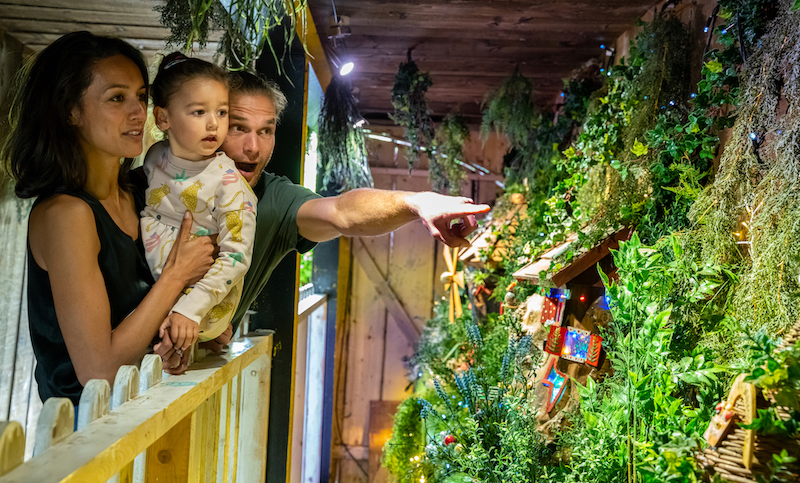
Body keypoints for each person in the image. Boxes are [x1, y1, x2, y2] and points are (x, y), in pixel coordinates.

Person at [155, 71, 491, 364]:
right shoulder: (156, 179)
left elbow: (342, 212)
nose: (253, 147)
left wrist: (418, 202)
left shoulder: (273, 200)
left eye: (266, 130)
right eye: (239, 128)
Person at [1, 31, 215, 404]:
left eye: (141, 97)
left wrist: (175, 339)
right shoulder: (65, 214)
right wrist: (176, 275)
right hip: (82, 440)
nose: (138, 112)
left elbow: (148, 324)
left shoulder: (140, 193)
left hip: (141, 422)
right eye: (117, 98)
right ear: (71, 110)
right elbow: (98, 370)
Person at [141, 52, 257, 355]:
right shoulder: (155, 158)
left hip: (198, 305)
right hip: (156, 291)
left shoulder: (231, 186)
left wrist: (191, 310)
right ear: (163, 118)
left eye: (221, 112)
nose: (213, 124)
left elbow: (236, 258)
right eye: (198, 112)